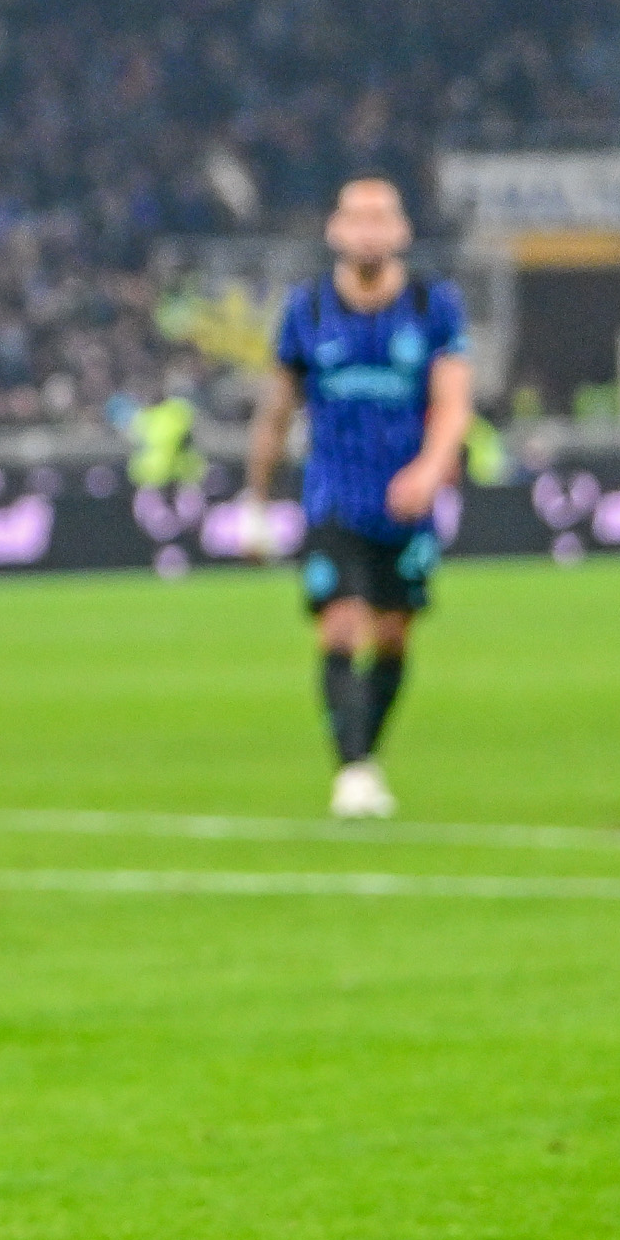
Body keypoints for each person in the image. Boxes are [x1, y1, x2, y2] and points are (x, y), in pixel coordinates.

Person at [239, 174, 469, 820]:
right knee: (340, 625)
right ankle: (353, 768)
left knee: (393, 635)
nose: (368, 229)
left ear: (401, 232)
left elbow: (454, 403)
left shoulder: (433, 306)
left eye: (381, 217)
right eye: (356, 217)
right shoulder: (306, 310)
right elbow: (276, 412)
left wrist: (430, 468)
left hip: (406, 503)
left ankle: (365, 752)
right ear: (335, 231)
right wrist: (256, 502)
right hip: (332, 497)